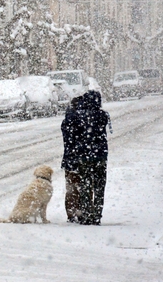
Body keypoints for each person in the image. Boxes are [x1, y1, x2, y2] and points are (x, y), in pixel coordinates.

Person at [60, 90, 110, 225]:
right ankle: (97, 214)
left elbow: (70, 137)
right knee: (99, 187)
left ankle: (85, 214)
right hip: (100, 156)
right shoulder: (102, 115)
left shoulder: (77, 116)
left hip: (83, 156)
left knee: (84, 187)